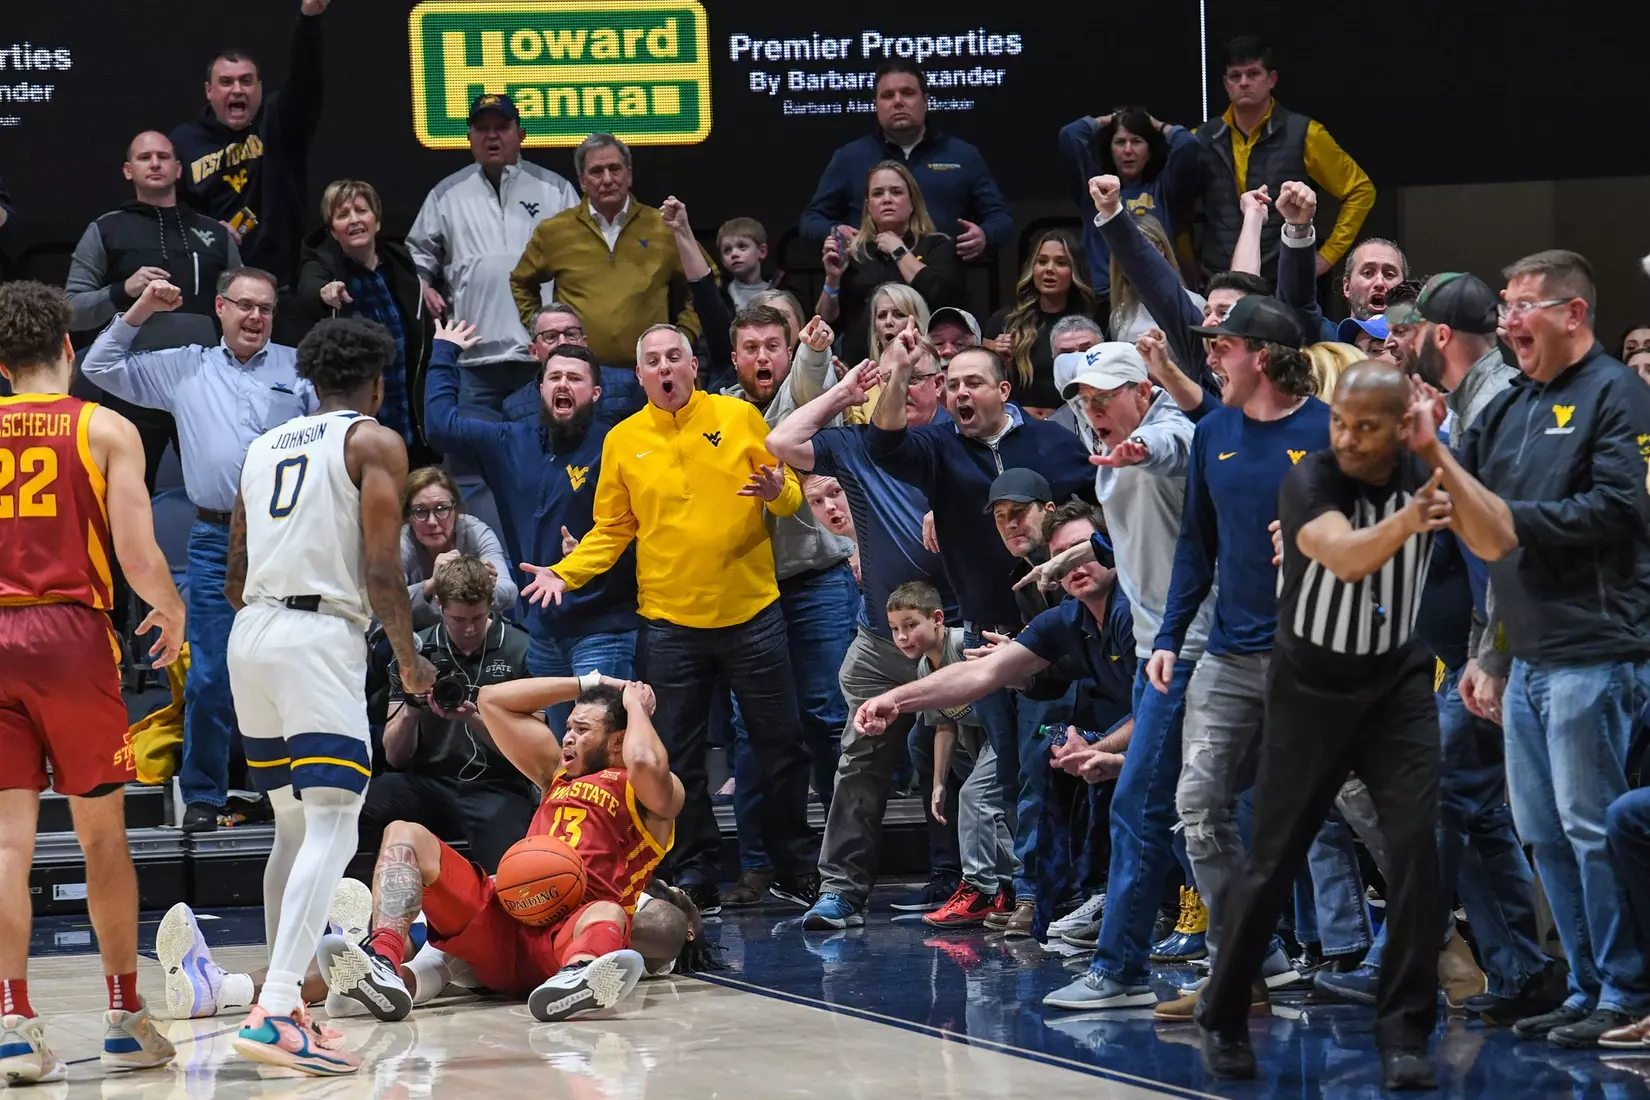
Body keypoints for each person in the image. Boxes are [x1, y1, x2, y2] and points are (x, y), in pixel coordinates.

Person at [1406, 250, 1650, 1048]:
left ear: (1572, 314)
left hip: (1597, 647)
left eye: (1523, 306)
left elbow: (1622, 510)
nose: (1508, 321)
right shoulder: (1509, 407)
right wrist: (1495, 653)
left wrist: (1514, 521)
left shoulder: (1616, 393)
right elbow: (1459, 506)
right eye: (1504, 305)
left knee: (1591, 829)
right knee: (1543, 832)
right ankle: (1583, 988)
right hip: (1529, 656)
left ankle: (1625, 989)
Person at [1196, 362, 1447, 1090]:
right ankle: (1223, 1011)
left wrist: (1440, 457)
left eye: (1366, 427)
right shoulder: (1309, 479)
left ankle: (1405, 1031)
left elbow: (1495, 541)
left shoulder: (1423, 468)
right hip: (1312, 686)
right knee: (1273, 859)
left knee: (1419, 847)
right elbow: (1346, 556)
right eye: (1339, 422)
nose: (1347, 439)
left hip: (1396, 682)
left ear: (1400, 428)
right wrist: (1414, 515)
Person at [522, 324, 819, 913]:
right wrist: (565, 573)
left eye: (674, 357)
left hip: (752, 613)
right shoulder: (623, 440)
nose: (664, 367)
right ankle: (693, 873)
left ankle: (794, 868)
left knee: (780, 746)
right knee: (678, 758)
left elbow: (790, 495)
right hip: (668, 623)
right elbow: (612, 530)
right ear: (639, 375)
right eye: (652, 360)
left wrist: (776, 492)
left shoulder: (738, 418)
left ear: (693, 365)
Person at [220, 317, 433, 1075]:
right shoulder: (373, 442)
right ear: (377, 385)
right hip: (317, 636)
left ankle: (288, 1002)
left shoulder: (261, 448)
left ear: (312, 381)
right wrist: (408, 661)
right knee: (337, 824)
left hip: (251, 632)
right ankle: (279, 1008)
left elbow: (234, 575)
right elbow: (382, 569)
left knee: (292, 824)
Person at [0, 281, 185, 1083]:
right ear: (68, 349)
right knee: (101, 835)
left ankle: (13, 1025)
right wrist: (171, 607)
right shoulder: (104, 428)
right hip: (70, 636)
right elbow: (137, 555)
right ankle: (123, 1017)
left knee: (7, 843)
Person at [869, 330, 1096, 934]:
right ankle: (1028, 891)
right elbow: (883, 443)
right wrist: (898, 372)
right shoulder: (940, 445)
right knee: (1014, 772)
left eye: (973, 382)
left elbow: (1098, 507)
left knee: (1050, 767)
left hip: (1056, 633)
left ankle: (1058, 893)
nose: (959, 394)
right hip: (984, 631)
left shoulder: (1051, 441)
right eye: (950, 385)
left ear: (1004, 390)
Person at [81, 268, 316, 833]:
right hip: (215, 539)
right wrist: (142, 308)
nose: (255, 317)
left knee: (289, 669)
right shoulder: (186, 366)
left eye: (265, 308)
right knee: (210, 675)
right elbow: (98, 366)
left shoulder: (299, 368)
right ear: (220, 308)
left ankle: (290, 793)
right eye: (245, 306)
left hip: (286, 537)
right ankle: (205, 796)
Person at [1147, 295, 1329, 1015]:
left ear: (1263, 355)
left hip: (1314, 656)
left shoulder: (1328, 430)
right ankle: (1236, 968)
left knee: (1360, 805)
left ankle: (1438, 943)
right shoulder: (1214, 433)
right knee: (1198, 804)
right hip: (1228, 653)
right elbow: (1197, 545)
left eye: (1222, 346)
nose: (1210, 357)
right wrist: (1168, 637)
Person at [315, 676, 681, 1023]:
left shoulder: (651, 794)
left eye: (582, 730)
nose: (568, 737)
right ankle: (382, 961)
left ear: (618, 741)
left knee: (609, 912)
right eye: (568, 727)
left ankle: (578, 974)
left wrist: (635, 705)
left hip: (565, 936)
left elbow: (644, 761)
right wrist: (591, 682)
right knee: (404, 833)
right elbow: (492, 700)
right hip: (505, 922)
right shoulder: (555, 772)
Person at [1026, 342, 1216, 1007]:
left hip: (1186, 652)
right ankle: (1263, 952)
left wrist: (1142, 449)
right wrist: (1064, 559)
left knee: (1139, 807)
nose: (1094, 410)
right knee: (1197, 811)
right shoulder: (1111, 450)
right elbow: (1128, 531)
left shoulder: (1170, 433)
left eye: (1106, 397)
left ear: (1144, 390)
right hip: (1153, 653)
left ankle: (1120, 970)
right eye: (1085, 400)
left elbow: (1173, 449)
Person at [854, 503, 1134, 923]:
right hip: (1148, 731)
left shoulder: (1133, 609)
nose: (1073, 564)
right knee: (1054, 763)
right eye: (1061, 556)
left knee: (1114, 768)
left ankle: (1161, 909)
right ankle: (1093, 897)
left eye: (1083, 549)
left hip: (1193, 734)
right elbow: (981, 673)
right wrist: (895, 700)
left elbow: (1167, 709)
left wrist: (1104, 749)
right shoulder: (1067, 618)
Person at [767, 350, 965, 928]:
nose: (904, 388)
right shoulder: (855, 446)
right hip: (881, 641)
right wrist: (843, 392)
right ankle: (842, 892)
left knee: (967, 758)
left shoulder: (957, 444)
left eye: (917, 378)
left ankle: (974, 881)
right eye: (894, 377)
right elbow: (781, 441)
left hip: (955, 633)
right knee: (858, 762)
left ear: (938, 387)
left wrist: (951, 511)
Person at [424, 326, 639, 735]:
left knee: (599, 748)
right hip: (542, 633)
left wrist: (591, 554)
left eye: (575, 378)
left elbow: (642, 531)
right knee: (564, 752)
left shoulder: (617, 446)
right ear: (540, 388)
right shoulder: (510, 440)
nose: (563, 384)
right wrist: (444, 352)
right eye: (554, 377)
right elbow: (439, 425)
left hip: (604, 627)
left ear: (595, 393)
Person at [721, 304, 857, 812]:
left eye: (773, 347)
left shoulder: (811, 400)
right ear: (734, 358)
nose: (763, 357)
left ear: (788, 352)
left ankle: (846, 842)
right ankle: (761, 851)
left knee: (827, 712)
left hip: (818, 581)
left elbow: (807, 388)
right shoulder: (718, 414)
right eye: (751, 348)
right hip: (747, 589)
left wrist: (814, 354)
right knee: (751, 722)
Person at [65, 130, 242, 488]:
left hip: (205, 385)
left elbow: (246, 303)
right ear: (128, 170)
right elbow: (70, 311)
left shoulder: (216, 234)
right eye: (145, 157)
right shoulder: (105, 230)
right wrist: (122, 290)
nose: (155, 163)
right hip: (131, 383)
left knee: (226, 490)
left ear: (179, 169)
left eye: (163, 156)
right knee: (126, 493)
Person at [362, 556, 536, 872]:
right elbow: (395, 757)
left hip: (496, 786)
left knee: (516, 866)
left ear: (491, 606)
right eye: (457, 619)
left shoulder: (522, 649)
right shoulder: (415, 652)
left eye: (478, 617)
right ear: (440, 606)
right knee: (367, 804)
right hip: (428, 783)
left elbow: (533, 753)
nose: (469, 628)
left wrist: (473, 718)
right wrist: (411, 708)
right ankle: (361, 898)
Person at [406, 94, 577, 408]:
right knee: (474, 440)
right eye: (482, 129)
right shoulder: (446, 194)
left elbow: (581, 258)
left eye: (501, 127)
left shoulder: (557, 190)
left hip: (540, 354)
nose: (492, 136)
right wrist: (422, 282)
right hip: (473, 355)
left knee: (538, 438)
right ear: (470, 138)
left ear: (520, 134)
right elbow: (417, 254)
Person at [169, 0, 333, 288]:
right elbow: (169, 214)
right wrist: (204, 231)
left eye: (246, 81)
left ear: (259, 87)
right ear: (209, 91)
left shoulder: (278, 121)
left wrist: (309, 20)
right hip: (212, 283)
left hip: (280, 282)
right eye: (226, 82)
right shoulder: (183, 141)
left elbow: (305, 83)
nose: (237, 90)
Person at [510, 134, 710, 370]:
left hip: (651, 371)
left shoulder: (663, 226)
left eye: (615, 169)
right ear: (582, 181)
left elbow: (707, 280)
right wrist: (545, 333)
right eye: (596, 171)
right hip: (580, 371)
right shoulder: (554, 231)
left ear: (629, 175)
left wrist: (684, 334)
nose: (607, 179)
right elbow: (521, 282)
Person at [878, 583, 1014, 929]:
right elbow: (944, 724)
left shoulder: (961, 645)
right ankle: (1011, 889)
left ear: (937, 619)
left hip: (1009, 735)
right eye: (894, 629)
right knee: (987, 813)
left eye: (910, 625)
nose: (902, 637)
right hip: (982, 745)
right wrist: (938, 784)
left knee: (976, 799)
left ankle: (979, 889)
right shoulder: (925, 668)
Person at [1196, 36, 1374, 282]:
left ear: (1272, 79)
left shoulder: (1305, 133)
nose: (1244, 82)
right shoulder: (1202, 138)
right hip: (1218, 279)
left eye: (1253, 74)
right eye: (1235, 76)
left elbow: (1360, 190)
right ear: (1226, 84)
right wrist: (1187, 265)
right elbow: (1177, 204)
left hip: (1282, 279)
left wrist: (1327, 256)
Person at [801, 59, 1011, 261]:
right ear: (876, 105)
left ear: (925, 100)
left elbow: (1001, 219)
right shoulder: (849, 158)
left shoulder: (963, 155)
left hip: (942, 277)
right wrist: (834, 232)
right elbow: (811, 220)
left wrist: (985, 235)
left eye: (908, 93)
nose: (898, 102)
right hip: (868, 277)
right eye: (888, 95)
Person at [297, 180, 432, 453]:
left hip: (409, 411)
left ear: (377, 221)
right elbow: (309, 287)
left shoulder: (399, 263)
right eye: (342, 214)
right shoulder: (324, 265)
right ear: (333, 231)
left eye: (361, 210)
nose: (354, 220)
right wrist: (325, 291)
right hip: (357, 423)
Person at [817, 161, 963, 365]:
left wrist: (899, 251)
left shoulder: (936, 245)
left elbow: (942, 296)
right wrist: (832, 280)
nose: (887, 199)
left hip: (920, 363)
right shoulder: (855, 253)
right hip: (861, 363)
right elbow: (825, 321)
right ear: (869, 207)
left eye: (896, 192)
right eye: (878, 193)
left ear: (912, 203)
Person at [1057, 107, 1202, 298]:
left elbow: (1189, 144)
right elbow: (1070, 135)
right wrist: (1110, 119)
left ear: (1149, 152)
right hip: (1105, 296)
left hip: (1155, 295)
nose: (1128, 150)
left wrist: (1155, 124)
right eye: (1120, 142)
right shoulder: (1095, 188)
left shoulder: (1163, 191)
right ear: (1110, 150)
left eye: (1137, 141)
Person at [983, 230, 1099, 417]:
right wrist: (1003, 363)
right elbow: (986, 388)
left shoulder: (1089, 324)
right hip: (1017, 423)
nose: (1049, 269)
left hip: (1074, 423)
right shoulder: (1004, 321)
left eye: (1061, 263)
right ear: (1033, 268)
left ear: (1074, 270)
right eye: (1042, 261)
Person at [398, 466, 515, 629]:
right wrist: (431, 584)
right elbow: (382, 607)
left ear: (456, 510)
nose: (432, 522)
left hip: (477, 631)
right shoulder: (400, 544)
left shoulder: (475, 532)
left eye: (441, 509)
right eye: (420, 511)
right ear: (409, 516)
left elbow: (510, 592)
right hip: (420, 635)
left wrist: (482, 585)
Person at [502, 303, 646, 427]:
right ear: (534, 351)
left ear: (584, 342)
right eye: (551, 337)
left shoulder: (628, 385)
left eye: (571, 334)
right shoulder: (515, 408)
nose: (563, 342)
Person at [717, 216, 790, 313]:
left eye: (742, 246)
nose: (734, 254)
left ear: (762, 252)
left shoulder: (779, 294)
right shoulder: (720, 296)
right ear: (723, 260)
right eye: (727, 250)